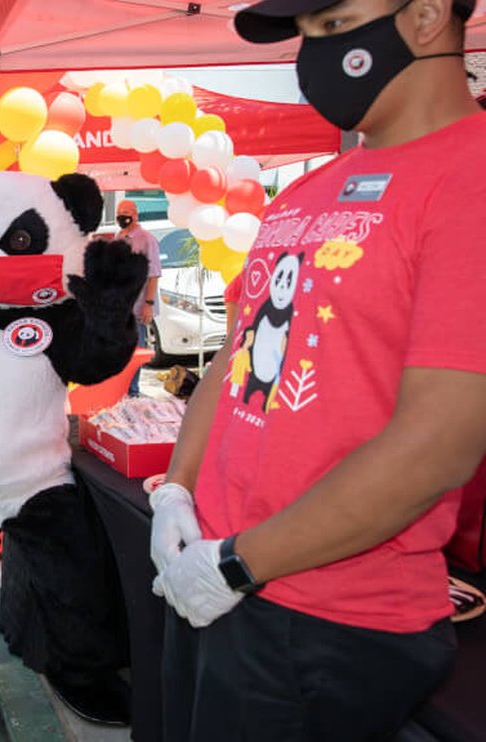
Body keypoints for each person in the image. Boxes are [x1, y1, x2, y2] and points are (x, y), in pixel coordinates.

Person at [150, 1, 486, 739]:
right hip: (215, 581)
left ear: (428, 16)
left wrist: (240, 563)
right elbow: (233, 364)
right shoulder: (306, 193)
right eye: (304, 36)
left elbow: (439, 442)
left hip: (326, 621)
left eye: (333, 28)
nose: (313, 57)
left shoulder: (470, 180)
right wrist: (177, 492)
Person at [115, 199, 161, 397]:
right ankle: (122, 390)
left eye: (126, 212)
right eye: (119, 212)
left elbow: (153, 274)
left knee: (136, 350)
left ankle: (132, 391)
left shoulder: (146, 239)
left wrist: (148, 305)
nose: (122, 216)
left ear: (135, 215)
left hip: (138, 306)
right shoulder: (119, 237)